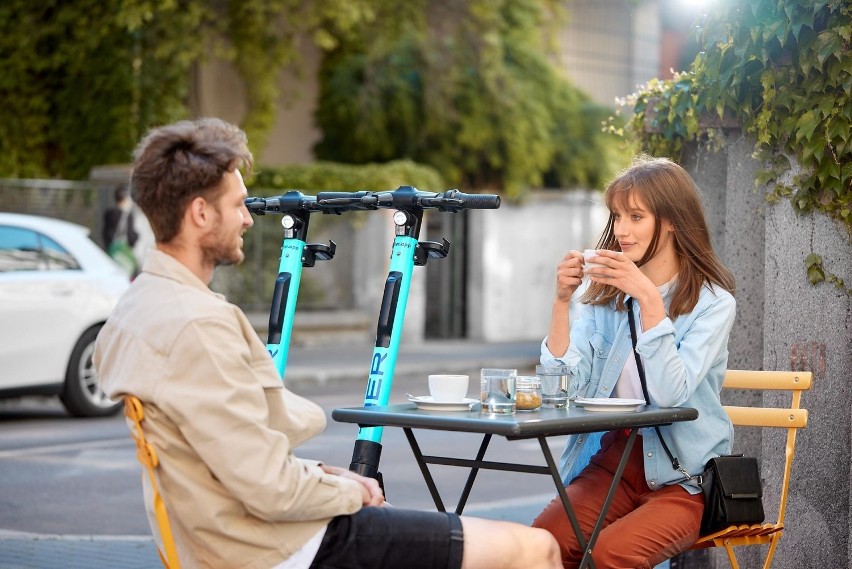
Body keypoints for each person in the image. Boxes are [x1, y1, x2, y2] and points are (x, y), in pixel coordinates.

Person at [94, 117, 561, 569]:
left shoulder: (136, 309)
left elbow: (225, 454)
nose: (248, 220)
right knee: (534, 550)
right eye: (237, 205)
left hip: (214, 537)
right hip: (275, 545)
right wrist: (354, 491)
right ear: (200, 213)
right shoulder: (197, 326)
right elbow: (269, 490)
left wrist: (320, 473)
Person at [531, 156, 736, 567]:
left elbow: (669, 397)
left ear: (672, 220)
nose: (621, 230)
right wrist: (560, 302)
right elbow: (563, 393)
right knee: (542, 546)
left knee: (611, 553)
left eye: (636, 216)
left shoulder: (712, 304)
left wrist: (647, 298)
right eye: (617, 216)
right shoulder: (605, 296)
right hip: (614, 464)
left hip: (685, 480)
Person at [102, 184, 139, 275]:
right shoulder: (128, 216)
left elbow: (105, 234)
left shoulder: (108, 214)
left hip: (111, 252)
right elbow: (131, 238)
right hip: (123, 253)